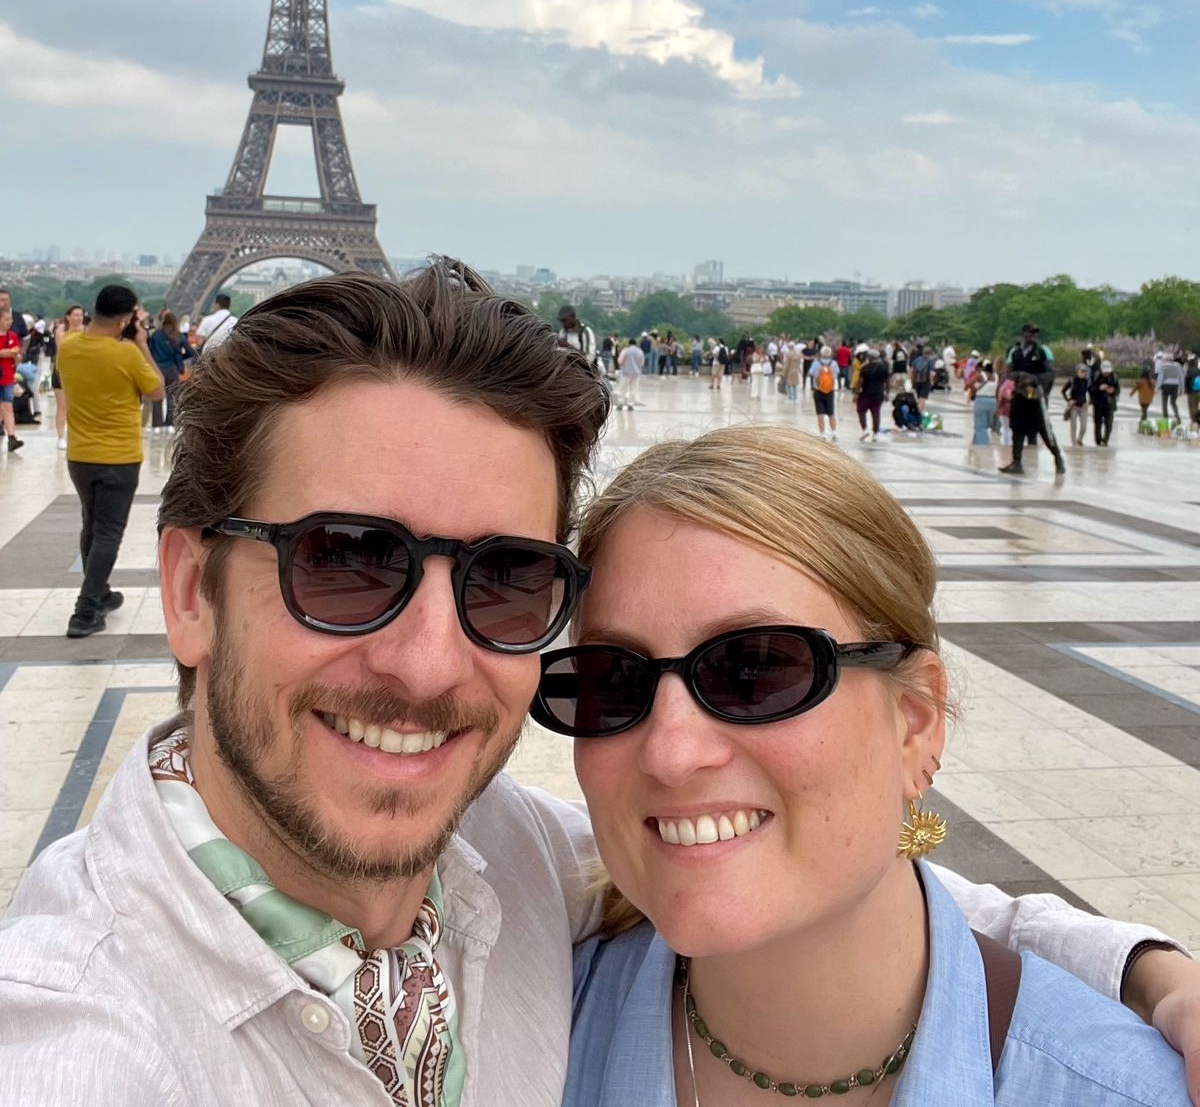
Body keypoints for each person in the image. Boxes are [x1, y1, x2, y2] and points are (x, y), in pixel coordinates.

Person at [6, 278, 1200, 1106]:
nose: (427, 663)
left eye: (507, 578)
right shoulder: (73, 1041)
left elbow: (799, 872)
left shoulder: (502, 865)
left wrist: (1151, 975)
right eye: (345, 559)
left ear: (920, 716)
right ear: (190, 589)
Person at [534, 427, 1196, 1107]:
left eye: (757, 670)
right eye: (612, 680)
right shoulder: (521, 1032)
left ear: (915, 722)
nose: (671, 754)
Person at [54, 286, 165, 637]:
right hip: (118, 457)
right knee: (108, 534)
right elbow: (158, 391)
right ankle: (85, 611)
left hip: (80, 456)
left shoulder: (68, 347)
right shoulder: (127, 355)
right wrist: (143, 344)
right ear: (125, 320)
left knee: (91, 527)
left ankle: (99, 592)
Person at [1001, 323, 1066, 477]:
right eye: (1030, 332)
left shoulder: (1044, 351)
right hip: (1020, 395)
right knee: (1017, 429)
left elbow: (1050, 373)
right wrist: (1021, 376)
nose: (1032, 336)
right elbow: (1009, 373)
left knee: (1044, 430)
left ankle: (1057, 458)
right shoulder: (1015, 352)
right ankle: (1017, 462)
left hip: (1037, 397)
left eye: (1035, 333)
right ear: (1024, 333)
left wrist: (1035, 378)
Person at [149, 309, 192, 431]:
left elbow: (151, 351)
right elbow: (191, 352)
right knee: (172, 397)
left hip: (158, 368)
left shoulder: (156, 335)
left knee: (157, 398)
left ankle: (156, 425)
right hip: (173, 369)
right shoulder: (179, 336)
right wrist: (182, 357)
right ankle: (169, 424)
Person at [50, 304, 86, 450]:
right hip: (62, 370)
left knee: (79, 406)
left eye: (81, 315)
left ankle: (77, 435)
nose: (79, 318)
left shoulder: (86, 331)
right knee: (62, 405)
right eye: (76, 315)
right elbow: (63, 347)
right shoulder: (61, 330)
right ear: (68, 317)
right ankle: (61, 436)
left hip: (80, 371)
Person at [0, 307, 23, 454]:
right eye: (6, 319)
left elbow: (17, 356)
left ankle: (12, 436)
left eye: (10, 319)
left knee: (8, 406)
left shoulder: (13, 336)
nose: (10, 322)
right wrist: (9, 352)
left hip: (7, 375)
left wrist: (13, 354)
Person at [856, 346, 890, 442]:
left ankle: (865, 429)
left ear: (870, 357)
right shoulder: (884, 368)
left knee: (861, 411)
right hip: (878, 394)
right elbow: (887, 382)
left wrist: (856, 393)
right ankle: (876, 433)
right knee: (876, 413)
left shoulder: (865, 368)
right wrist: (887, 393)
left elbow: (860, 382)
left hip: (865, 394)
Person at [967, 358, 997, 446]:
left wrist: (974, 389)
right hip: (993, 401)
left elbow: (969, 383)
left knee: (980, 427)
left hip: (981, 400)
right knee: (985, 426)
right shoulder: (996, 376)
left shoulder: (980, 375)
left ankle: (985, 448)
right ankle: (975, 445)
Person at [812, 343, 839, 441]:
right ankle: (834, 432)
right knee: (831, 413)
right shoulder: (834, 364)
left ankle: (822, 433)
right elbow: (835, 375)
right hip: (830, 391)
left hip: (818, 391)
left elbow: (812, 374)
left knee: (820, 413)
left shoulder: (816, 363)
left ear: (821, 354)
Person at [1062, 363, 1092, 448]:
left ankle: (1079, 439)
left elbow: (1091, 392)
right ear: (1077, 372)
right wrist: (1068, 400)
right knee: (1073, 426)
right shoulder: (1072, 381)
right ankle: (1073, 442)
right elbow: (1063, 391)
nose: (1083, 373)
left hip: (1083, 405)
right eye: (1081, 371)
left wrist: (1089, 402)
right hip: (1074, 406)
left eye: (1084, 372)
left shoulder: (1087, 381)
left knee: (1084, 426)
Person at [617, 336, 644, 410]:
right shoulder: (640, 351)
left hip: (626, 373)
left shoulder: (625, 351)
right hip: (636, 374)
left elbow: (620, 361)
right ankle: (630, 404)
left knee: (623, 389)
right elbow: (642, 363)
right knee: (633, 389)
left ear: (629, 344)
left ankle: (620, 403)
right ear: (635, 344)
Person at [1159, 350, 1184, 425]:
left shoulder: (1163, 366)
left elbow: (1161, 378)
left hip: (1166, 385)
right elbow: (1181, 378)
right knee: (1173, 402)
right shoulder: (1178, 366)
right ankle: (1177, 417)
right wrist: (1181, 389)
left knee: (1164, 403)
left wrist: (1158, 387)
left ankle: (1165, 418)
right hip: (1175, 386)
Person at [910, 343, 934, 414]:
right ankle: (920, 414)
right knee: (922, 398)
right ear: (930, 354)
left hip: (917, 382)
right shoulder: (929, 361)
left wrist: (912, 381)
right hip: (925, 382)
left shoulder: (917, 360)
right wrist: (931, 382)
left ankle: (918, 411)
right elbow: (931, 373)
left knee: (919, 398)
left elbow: (911, 371)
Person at [1135, 361, 1158, 428]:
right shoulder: (1151, 382)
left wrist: (1131, 393)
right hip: (1148, 400)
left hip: (1141, 400)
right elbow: (1153, 389)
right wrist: (1153, 395)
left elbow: (1135, 388)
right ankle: (1143, 421)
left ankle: (1142, 422)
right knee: (1145, 411)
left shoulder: (1140, 381)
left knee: (1144, 411)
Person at [780, 339, 802, 403]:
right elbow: (799, 364)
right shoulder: (797, 354)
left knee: (789, 385)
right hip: (796, 371)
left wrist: (783, 373)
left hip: (790, 371)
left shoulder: (788, 354)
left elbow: (786, 365)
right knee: (795, 385)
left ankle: (790, 398)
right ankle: (795, 398)